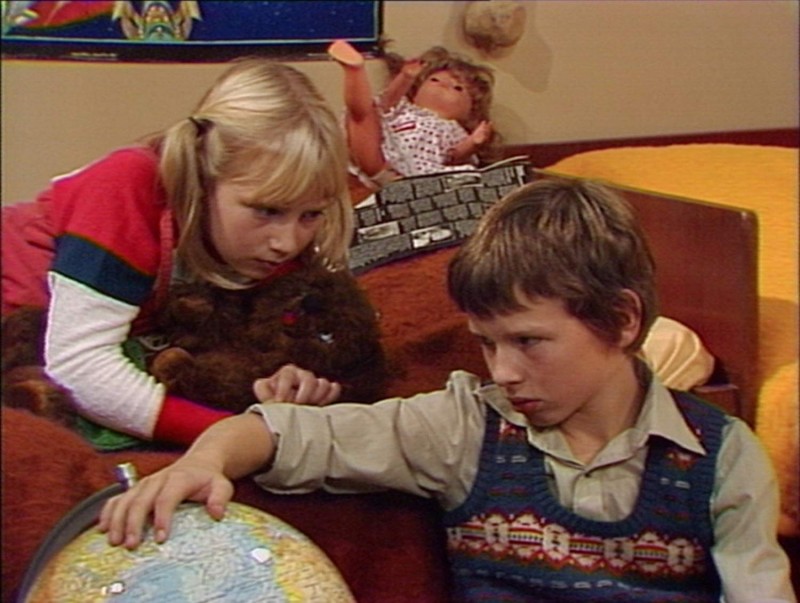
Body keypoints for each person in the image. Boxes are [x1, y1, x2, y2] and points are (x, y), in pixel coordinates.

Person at [99, 179, 794, 601]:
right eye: (487, 342)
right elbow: (287, 432)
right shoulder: (467, 426)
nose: (503, 371)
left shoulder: (721, 456)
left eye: (528, 341)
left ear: (621, 320)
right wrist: (205, 459)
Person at [1, 58, 356, 450]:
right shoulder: (125, 185)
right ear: (203, 178)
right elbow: (79, 366)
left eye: (310, 215)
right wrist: (234, 436)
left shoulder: (271, 249)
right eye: (266, 210)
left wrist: (287, 374)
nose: (287, 242)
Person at [328, 39, 496, 188]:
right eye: (434, 80)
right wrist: (405, 77)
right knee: (366, 113)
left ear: (469, 111)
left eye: (457, 88)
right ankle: (355, 71)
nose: (443, 85)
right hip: (386, 164)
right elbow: (387, 101)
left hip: (425, 178)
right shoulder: (406, 109)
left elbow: (454, 156)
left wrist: (473, 143)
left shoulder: (451, 128)